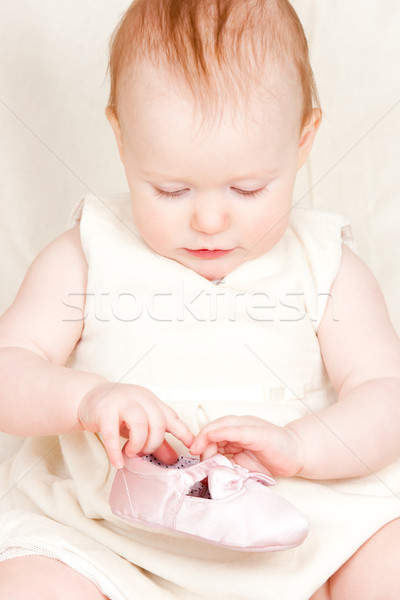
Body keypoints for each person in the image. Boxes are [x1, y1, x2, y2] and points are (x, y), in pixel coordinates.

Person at [0, 0, 400, 598]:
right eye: (169, 189)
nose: (209, 219)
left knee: (387, 558)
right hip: (107, 534)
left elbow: (385, 395)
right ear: (121, 136)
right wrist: (88, 399)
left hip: (306, 519)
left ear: (303, 139)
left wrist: (301, 447)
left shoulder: (326, 263)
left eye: (248, 188)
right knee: (32, 583)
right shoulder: (85, 251)